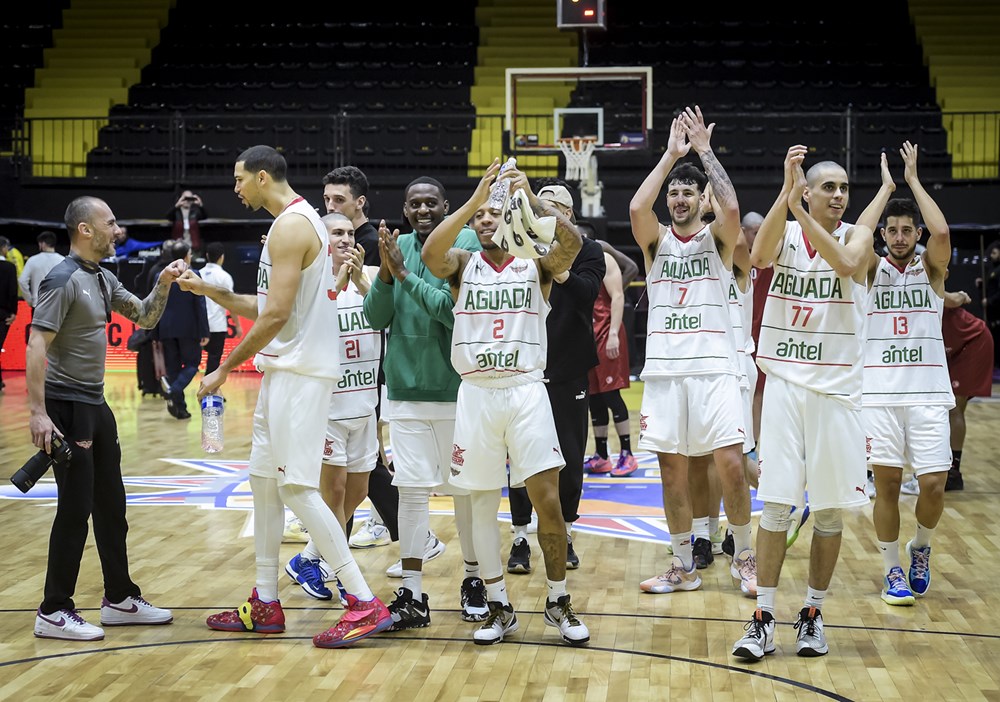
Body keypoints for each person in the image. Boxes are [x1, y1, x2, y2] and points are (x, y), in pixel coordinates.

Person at [176, 145, 390, 648]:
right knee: (262, 484)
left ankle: (362, 602)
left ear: (263, 176)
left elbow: (274, 318)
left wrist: (223, 367)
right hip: (284, 373)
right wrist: (209, 292)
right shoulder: (293, 225)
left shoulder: (293, 227)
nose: (235, 188)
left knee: (297, 488)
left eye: (239, 179)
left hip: (301, 375)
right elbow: (272, 306)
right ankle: (265, 601)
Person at [421, 159, 590, 647]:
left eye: (496, 214)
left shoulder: (534, 265)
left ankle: (558, 600)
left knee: (548, 500)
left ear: (512, 218)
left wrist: (533, 201)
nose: (488, 221)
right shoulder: (461, 265)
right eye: (481, 217)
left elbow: (572, 246)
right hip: (476, 393)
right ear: (473, 223)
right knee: (478, 506)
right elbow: (432, 253)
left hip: (524, 391)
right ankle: (499, 606)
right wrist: (477, 199)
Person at [731, 146, 878, 661]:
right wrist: (785, 194)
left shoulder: (857, 235)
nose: (839, 196)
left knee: (830, 514)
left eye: (844, 189)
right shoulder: (787, 226)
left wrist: (798, 210)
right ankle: (764, 617)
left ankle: (812, 613)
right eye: (828, 187)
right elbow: (759, 255)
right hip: (786, 388)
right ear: (809, 191)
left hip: (837, 392)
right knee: (774, 508)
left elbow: (849, 263)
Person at [26, 196, 180, 641]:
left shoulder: (102, 277)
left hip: (95, 405)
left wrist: (167, 281)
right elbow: (37, 345)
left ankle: (119, 598)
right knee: (75, 510)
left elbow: (146, 313)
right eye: (110, 223)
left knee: (112, 506)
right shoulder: (62, 279)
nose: (118, 230)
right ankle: (53, 609)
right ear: (85, 229)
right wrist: (38, 413)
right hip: (66, 407)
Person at [628, 106, 757, 599]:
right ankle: (683, 562)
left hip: (716, 369)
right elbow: (639, 210)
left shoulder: (718, 240)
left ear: (699, 198)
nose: (679, 198)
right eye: (674, 193)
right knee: (671, 468)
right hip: (664, 372)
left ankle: (743, 554)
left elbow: (730, 210)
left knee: (728, 462)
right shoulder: (656, 241)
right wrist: (669, 157)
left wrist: (703, 152)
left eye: (688, 192)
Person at [362, 174, 486, 630]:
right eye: (414, 204)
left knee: (465, 493)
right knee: (411, 492)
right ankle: (412, 592)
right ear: (406, 209)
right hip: (405, 393)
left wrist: (404, 274)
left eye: (432, 202)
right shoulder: (396, 248)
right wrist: (383, 273)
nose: (423, 210)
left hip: (456, 392)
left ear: (447, 205)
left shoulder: (467, 241)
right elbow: (375, 316)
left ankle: (473, 579)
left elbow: (452, 312)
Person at [860, 142, 953, 607]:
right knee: (888, 485)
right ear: (883, 234)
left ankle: (922, 547)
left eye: (905, 230)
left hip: (928, 392)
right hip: (878, 393)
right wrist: (886, 188)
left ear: (915, 232)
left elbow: (942, 229)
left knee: (934, 483)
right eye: (891, 230)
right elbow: (855, 237)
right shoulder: (871, 267)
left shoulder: (932, 269)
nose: (899, 237)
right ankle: (891, 566)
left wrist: (914, 182)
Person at [506, 181, 605, 575]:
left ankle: (563, 531)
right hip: (523, 366)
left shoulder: (588, 250)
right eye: (538, 208)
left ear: (569, 215)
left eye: (553, 209)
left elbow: (587, 293)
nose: (545, 214)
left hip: (567, 365)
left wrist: (557, 268)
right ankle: (518, 536)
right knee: (519, 456)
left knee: (568, 454)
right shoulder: (517, 249)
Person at [284, 212, 384, 604]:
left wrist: (357, 280)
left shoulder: (373, 276)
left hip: (365, 405)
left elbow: (387, 312)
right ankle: (346, 577)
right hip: (326, 408)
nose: (344, 239)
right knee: (335, 493)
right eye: (335, 233)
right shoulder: (307, 284)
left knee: (358, 491)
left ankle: (307, 558)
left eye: (348, 232)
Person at [584, 226, 641, 478]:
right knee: (594, 396)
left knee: (611, 395)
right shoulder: (572, 260)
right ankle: (601, 455)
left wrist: (614, 333)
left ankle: (627, 454)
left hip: (607, 332)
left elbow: (617, 296)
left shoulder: (603, 256)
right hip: (587, 336)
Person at [942, 286, 994, 490]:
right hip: (955, 348)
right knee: (944, 409)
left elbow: (953, 299)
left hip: (973, 341)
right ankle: (942, 467)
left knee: (955, 407)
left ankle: (953, 473)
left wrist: (962, 295)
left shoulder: (925, 282)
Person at [156, 240, 209, 419]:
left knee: (173, 369)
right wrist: (204, 331)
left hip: (166, 328)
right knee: (193, 364)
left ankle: (180, 409)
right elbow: (199, 304)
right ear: (186, 255)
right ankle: (173, 390)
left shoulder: (160, 275)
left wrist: (155, 331)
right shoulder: (192, 274)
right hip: (188, 328)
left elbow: (155, 303)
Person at [199, 242, 243, 377]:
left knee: (192, 360)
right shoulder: (224, 277)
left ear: (207, 256)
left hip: (199, 325)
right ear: (222, 257)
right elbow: (231, 303)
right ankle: (209, 391)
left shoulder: (198, 274)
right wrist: (238, 325)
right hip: (217, 326)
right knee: (214, 360)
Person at [18, 231, 65, 311]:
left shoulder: (33, 260)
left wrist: (30, 300)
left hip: (38, 304)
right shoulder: (63, 260)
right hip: (57, 305)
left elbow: (22, 281)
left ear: (42, 244)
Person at [0, 237, 18, 392]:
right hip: (3, 314)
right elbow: (13, 292)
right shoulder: (9, 267)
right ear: (4, 248)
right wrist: (14, 312)